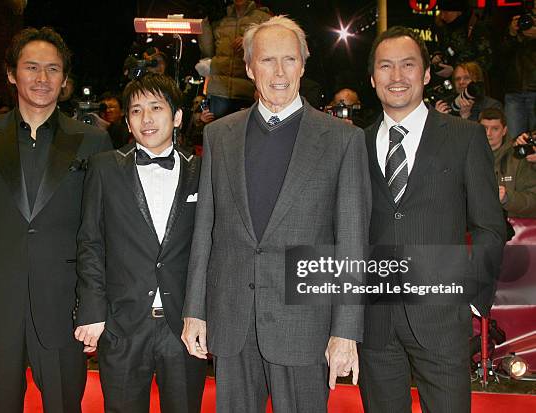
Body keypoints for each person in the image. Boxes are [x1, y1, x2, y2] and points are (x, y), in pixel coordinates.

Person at [181, 16, 371, 412]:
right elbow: (206, 231)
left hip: (305, 324)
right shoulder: (219, 136)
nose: (279, 72)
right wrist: (195, 311)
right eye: (267, 60)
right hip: (231, 320)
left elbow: (352, 240)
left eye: (289, 59)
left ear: (303, 64)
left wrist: (346, 331)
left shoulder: (343, 140)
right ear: (250, 68)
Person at [0, 27, 112, 413]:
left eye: (53, 69)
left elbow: (99, 233)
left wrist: (94, 307)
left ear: (65, 79)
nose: (42, 78)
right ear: (11, 74)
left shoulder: (92, 141)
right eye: (31, 67)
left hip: (63, 307)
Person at [360, 26, 506, 412]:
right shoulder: (354, 144)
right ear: (373, 78)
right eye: (385, 66)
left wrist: (473, 298)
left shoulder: (465, 138)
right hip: (374, 323)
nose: (396, 76)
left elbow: (490, 226)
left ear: (425, 74)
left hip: (442, 320)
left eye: (408, 65)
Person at [75, 72, 206, 412]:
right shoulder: (104, 169)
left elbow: (212, 248)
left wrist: (203, 313)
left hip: (183, 328)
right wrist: (92, 309)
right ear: (128, 122)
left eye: (156, 107)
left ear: (177, 116)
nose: (146, 118)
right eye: (135, 110)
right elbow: (91, 241)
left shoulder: (203, 172)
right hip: (122, 325)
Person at [199, 0, 271, 118]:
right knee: (218, 134)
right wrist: (204, 23)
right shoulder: (220, 16)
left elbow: (272, 53)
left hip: (247, 91)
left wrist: (250, 42)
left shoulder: (263, 19)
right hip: (219, 90)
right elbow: (208, 52)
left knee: (244, 134)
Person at [479, 108, 536, 218]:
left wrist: (507, 198)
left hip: (512, 227)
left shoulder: (519, 158)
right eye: (484, 128)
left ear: (504, 130)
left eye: (495, 128)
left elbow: (533, 199)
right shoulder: (466, 156)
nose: (488, 133)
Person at [500, 8, 536, 139]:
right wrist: (511, 34)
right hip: (514, 90)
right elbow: (501, 55)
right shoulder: (517, 29)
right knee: (513, 140)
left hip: (534, 90)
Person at [435, 62, 502, 121]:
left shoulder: (491, 106)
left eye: (466, 78)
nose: (461, 82)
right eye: (457, 79)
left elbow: (489, 134)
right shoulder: (447, 105)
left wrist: (467, 116)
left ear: (477, 80)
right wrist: (438, 119)